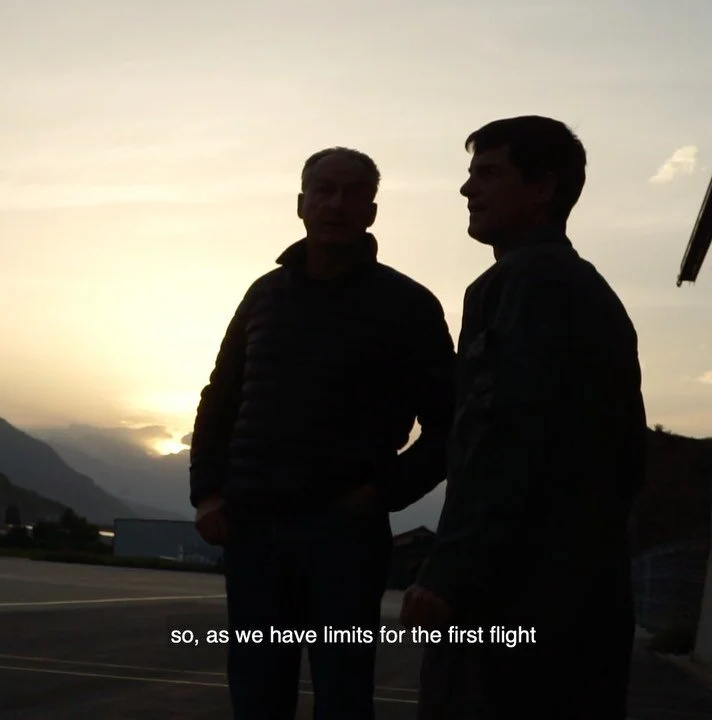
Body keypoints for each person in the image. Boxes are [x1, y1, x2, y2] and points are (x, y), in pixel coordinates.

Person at [189, 146, 456, 720]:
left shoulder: (408, 305)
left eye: (353, 193)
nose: (336, 204)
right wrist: (207, 493)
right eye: (324, 190)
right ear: (301, 203)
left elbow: (450, 426)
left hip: (345, 536)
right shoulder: (264, 295)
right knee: (256, 693)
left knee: (342, 694)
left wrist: (380, 494)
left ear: (372, 212)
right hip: (253, 530)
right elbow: (220, 397)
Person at [400, 116, 647, 719]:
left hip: (512, 603)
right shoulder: (584, 289)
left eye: (489, 173)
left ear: (543, 188)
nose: (467, 189)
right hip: (580, 596)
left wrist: (450, 573)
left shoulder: (523, 284)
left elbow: (502, 436)